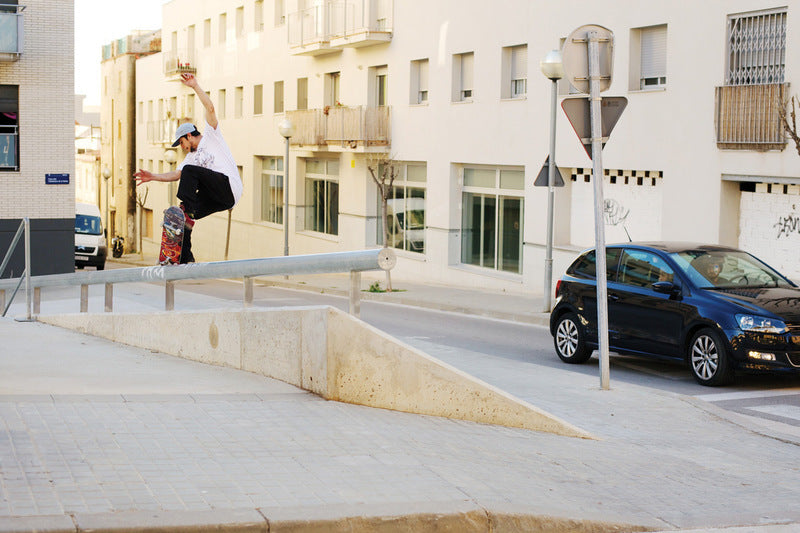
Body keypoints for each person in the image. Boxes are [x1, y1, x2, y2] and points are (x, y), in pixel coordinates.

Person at [134, 73, 242, 263]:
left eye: (182, 143)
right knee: (183, 216)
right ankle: (185, 257)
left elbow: (210, 107)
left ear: (190, 136)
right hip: (222, 201)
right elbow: (176, 174)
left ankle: (188, 212)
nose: (182, 148)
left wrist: (195, 86)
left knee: (190, 174)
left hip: (228, 186)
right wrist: (153, 176)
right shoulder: (190, 158)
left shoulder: (211, 135)